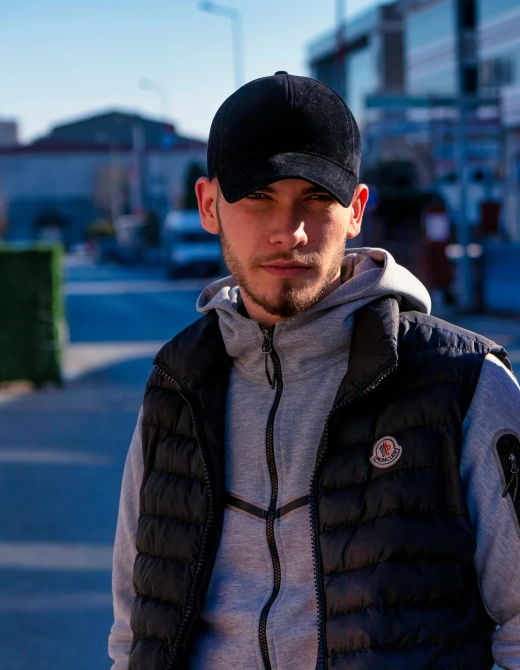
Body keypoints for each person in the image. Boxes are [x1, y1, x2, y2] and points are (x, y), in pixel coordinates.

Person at [109, 72, 520, 670]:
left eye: (316, 198)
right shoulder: (177, 387)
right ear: (207, 205)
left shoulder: (462, 384)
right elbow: (133, 631)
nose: (290, 231)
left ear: (355, 210)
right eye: (258, 198)